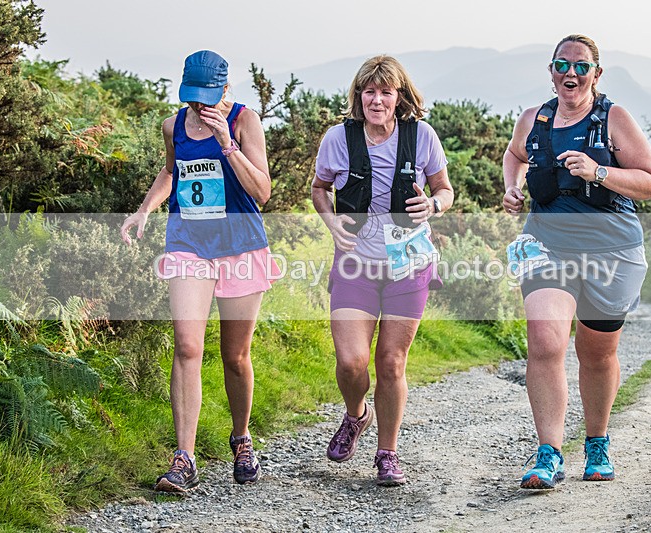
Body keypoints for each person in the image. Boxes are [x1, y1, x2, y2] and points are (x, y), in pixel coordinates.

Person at [502, 35, 651, 490]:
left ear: (596, 73)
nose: (570, 73)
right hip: (547, 242)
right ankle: (548, 454)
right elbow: (514, 156)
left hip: (612, 250)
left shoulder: (614, 118)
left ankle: (597, 442)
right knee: (546, 340)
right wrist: (513, 188)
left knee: (597, 351)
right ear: (550, 70)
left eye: (581, 66)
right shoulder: (534, 119)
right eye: (561, 64)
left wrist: (599, 172)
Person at [120, 50, 278, 492]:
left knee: (235, 356)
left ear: (225, 90)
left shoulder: (245, 121)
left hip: (241, 245)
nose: (198, 106)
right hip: (189, 244)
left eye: (207, 96)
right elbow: (170, 173)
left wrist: (226, 141)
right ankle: (184, 458)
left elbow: (262, 192)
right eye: (192, 97)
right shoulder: (173, 125)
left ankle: (241, 437)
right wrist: (145, 211)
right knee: (187, 345)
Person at [311, 55, 454, 486]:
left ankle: (387, 454)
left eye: (385, 92)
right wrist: (330, 220)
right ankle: (357, 414)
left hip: (408, 261)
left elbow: (444, 190)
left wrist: (432, 205)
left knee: (391, 362)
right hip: (355, 261)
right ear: (359, 97)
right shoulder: (338, 139)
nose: (376, 100)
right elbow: (320, 188)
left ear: (399, 97)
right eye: (368, 92)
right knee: (351, 361)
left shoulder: (421, 136)